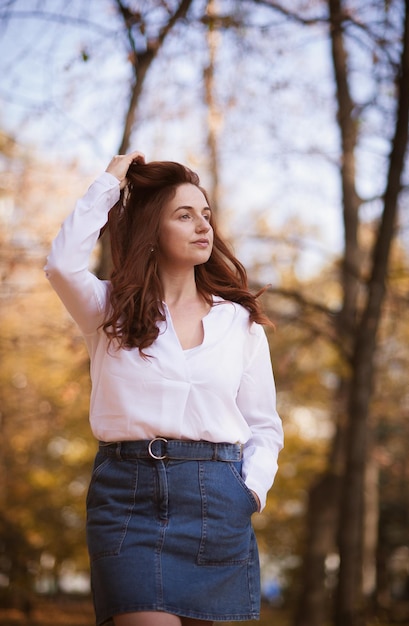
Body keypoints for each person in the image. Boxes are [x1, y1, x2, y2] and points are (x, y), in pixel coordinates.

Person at [44, 152, 284, 626]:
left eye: (206, 214)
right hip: (127, 500)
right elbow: (60, 266)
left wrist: (249, 491)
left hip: (218, 500)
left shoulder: (239, 323)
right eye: (184, 214)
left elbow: (263, 425)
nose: (202, 226)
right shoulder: (107, 308)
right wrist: (109, 183)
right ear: (153, 229)